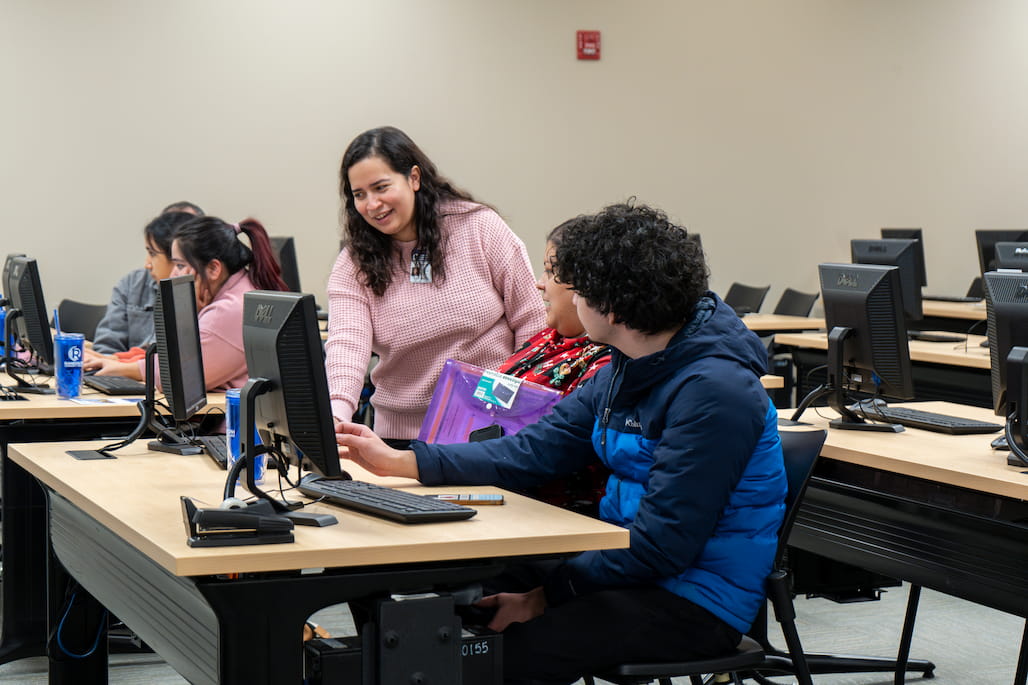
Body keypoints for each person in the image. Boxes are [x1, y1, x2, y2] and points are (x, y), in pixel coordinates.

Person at [336, 201, 788, 684]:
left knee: (496, 658)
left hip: (694, 601)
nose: (568, 298)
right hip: (634, 566)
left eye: (579, 288)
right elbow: (530, 451)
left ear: (612, 305)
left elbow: (661, 547)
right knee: (448, 583)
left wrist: (545, 597)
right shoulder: (628, 367)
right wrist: (404, 462)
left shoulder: (715, 392)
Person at [325, 126, 545, 442]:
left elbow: (532, 323)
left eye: (381, 187)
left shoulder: (478, 227)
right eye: (359, 195)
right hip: (400, 439)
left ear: (414, 178)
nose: (372, 204)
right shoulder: (355, 261)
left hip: (488, 430)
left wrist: (512, 410)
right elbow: (347, 343)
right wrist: (337, 413)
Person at [88, 216, 288, 390]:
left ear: (213, 269)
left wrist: (119, 369)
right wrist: (114, 361)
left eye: (181, 265)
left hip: (222, 427)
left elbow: (180, 377)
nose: (174, 274)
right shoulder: (241, 291)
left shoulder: (228, 311)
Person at [497, 215, 612, 514]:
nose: (539, 284)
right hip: (501, 486)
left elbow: (552, 445)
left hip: (553, 512)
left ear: (586, 286)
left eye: (550, 272)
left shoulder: (607, 360)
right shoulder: (549, 338)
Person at [91, 202, 204, 354]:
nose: (147, 264)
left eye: (153, 254)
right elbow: (106, 347)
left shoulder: (203, 298)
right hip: (124, 375)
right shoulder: (132, 284)